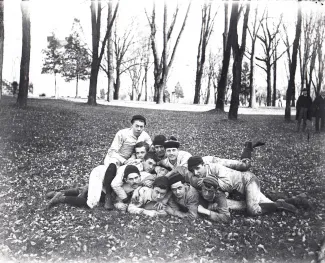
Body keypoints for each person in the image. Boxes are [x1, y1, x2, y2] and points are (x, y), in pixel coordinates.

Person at [187, 156, 298, 216]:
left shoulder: (216, 168)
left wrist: (210, 183)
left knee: (253, 210)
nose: (196, 172)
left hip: (248, 181)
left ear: (204, 165)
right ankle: (297, 200)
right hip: (239, 193)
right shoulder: (200, 177)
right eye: (193, 170)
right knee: (265, 203)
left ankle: (279, 204)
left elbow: (227, 185)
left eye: (198, 168)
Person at [88, 115, 152, 210]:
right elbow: (112, 151)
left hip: (131, 159)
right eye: (136, 126)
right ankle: (108, 196)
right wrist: (123, 160)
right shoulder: (122, 133)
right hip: (116, 157)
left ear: (144, 127)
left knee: (127, 175)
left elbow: (149, 147)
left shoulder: (145, 135)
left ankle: (119, 194)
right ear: (132, 125)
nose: (139, 129)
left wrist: (135, 157)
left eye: (141, 126)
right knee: (113, 167)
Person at [46, 165, 152, 210]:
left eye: (136, 178)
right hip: (101, 179)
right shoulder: (119, 182)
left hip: (107, 186)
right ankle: (61, 198)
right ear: (125, 179)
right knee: (91, 203)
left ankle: (62, 192)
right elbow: (118, 196)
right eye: (131, 179)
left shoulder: (143, 176)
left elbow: (155, 178)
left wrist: (148, 181)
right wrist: (124, 201)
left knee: (90, 194)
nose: (134, 181)